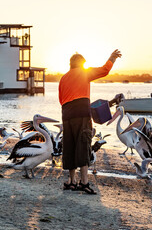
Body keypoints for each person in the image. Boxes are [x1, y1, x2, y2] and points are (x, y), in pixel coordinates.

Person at [59, 49, 121, 194]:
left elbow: (61, 99)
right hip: (81, 114)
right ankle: (84, 182)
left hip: (67, 114)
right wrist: (112, 58)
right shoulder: (84, 72)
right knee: (83, 145)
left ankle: (72, 181)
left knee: (70, 146)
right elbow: (105, 70)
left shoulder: (63, 78)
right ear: (81, 64)